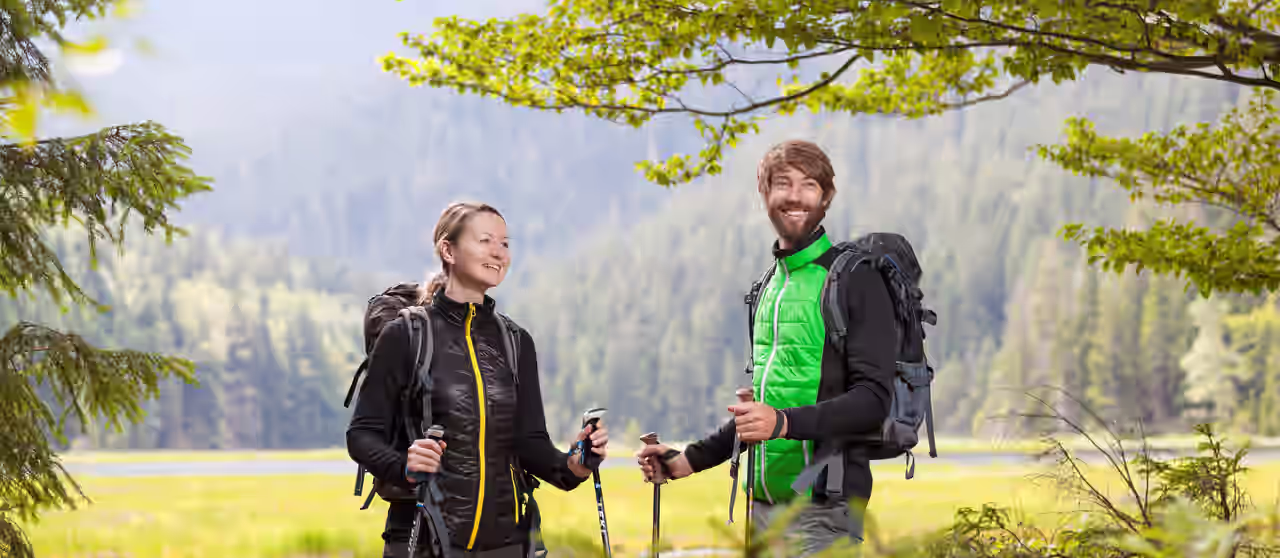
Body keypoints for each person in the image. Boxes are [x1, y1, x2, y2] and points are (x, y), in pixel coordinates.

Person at [635, 140, 897, 555]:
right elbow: (763, 411)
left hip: (824, 510)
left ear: (826, 196)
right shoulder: (767, 288)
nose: (794, 196)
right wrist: (687, 460)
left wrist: (784, 423)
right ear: (765, 195)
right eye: (782, 184)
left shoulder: (856, 279)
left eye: (808, 185)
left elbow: (873, 400)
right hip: (761, 508)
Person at [348, 201, 609, 558]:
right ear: (448, 250)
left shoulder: (516, 342)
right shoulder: (405, 335)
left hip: (510, 544)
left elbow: (531, 444)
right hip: (423, 540)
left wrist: (574, 465)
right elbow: (362, 435)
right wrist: (404, 466)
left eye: (504, 243)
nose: (498, 252)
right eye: (485, 240)